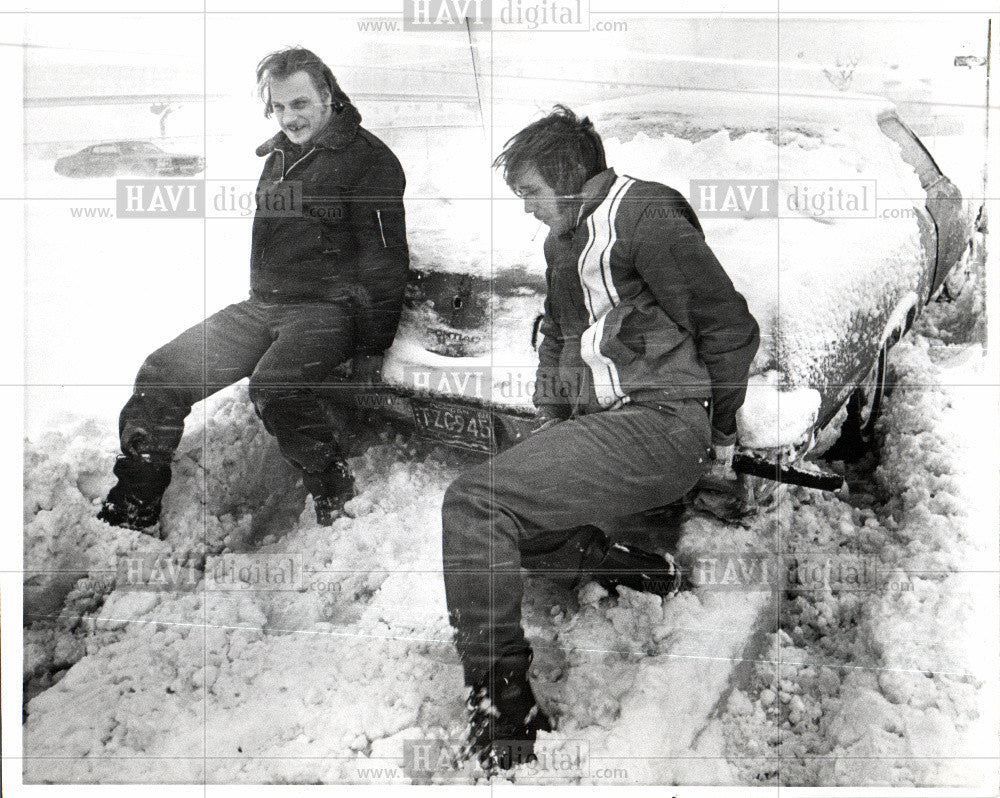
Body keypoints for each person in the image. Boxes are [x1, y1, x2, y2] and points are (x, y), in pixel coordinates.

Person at [441, 106, 759, 770]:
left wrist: (723, 435)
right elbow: (561, 335)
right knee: (501, 526)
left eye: (530, 191)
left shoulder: (644, 216)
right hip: (607, 424)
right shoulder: (565, 241)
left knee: (474, 506)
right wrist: (548, 425)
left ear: (567, 175)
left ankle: (504, 710)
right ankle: (630, 568)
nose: (526, 207)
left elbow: (729, 326)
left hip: (661, 423)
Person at [99, 47, 409, 531]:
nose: (289, 117)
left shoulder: (370, 162)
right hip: (264, 305)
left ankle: (333, 487)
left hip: (329, 311)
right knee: (162, 372)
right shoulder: (281, 156)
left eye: (300, 103)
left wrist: (373, 347)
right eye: (279, 106)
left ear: (328, 95)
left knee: (276, 386)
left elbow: (386, 261)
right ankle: (135, 502)